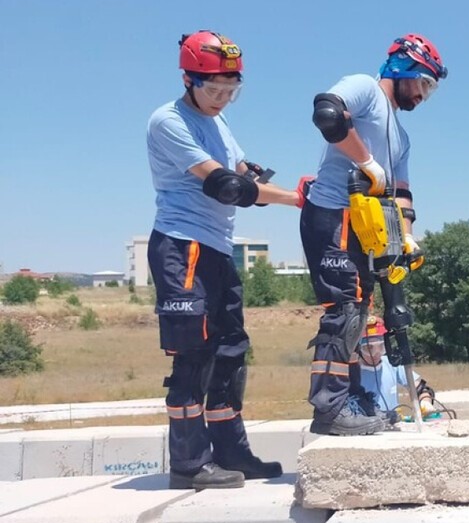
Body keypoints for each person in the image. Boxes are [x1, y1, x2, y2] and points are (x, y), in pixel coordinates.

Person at [147, 30, 300, 489]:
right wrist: (297, 199)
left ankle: (232, 451)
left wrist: (295, 195)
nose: (222, 99)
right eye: (214, 90)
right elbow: (226, 187)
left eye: (231, 91)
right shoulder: (168, 121)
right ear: (188, 79)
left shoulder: (220, 125)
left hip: (217, 247)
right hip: (182, 245)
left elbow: (242, 177)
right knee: (194, 353)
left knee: (231, 350)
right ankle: (190, 463)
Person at [302, 34, 447, 436]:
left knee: (361, 313)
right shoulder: (365, 89)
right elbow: (328, 113)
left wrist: (408, 237)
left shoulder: (401, 137)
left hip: (369, 227)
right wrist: (365, 159)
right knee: (344, 311)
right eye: (422, 83)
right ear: (403, 68)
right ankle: (329, 411)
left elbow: (402, 194)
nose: (422, 94)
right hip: (333, 212)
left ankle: (348, 401)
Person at [356, 315, 436, 422]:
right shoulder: (352, 373)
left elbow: (421, 388)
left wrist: (425, 402)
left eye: (381, 347)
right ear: (358, 349)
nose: (375, 353)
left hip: (393, 423)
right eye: (368, 348)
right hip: (367, 425)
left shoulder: (392, 365)